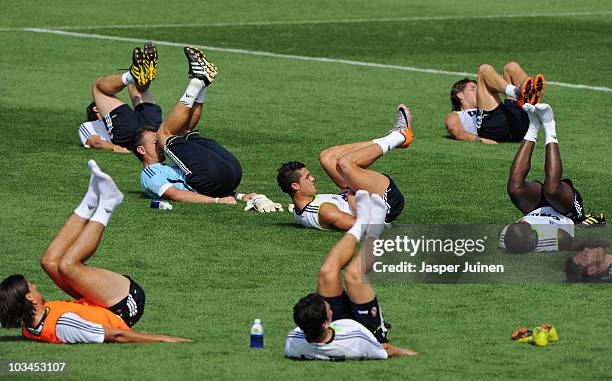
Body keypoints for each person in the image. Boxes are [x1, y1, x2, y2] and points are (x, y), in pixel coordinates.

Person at [0, 161, 190, 343]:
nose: (34, 285)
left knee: (49, 262)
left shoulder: (30, 327)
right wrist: (169, 339)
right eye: (30, 286)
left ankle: (91, 199)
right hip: (125, 305)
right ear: (29, 297)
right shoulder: (62, 326)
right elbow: (116, 336)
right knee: (67, 266)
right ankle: (108, 203)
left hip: (97, 302)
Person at [131, 46, 282, 211]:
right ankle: (198, 81)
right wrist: (217, 201)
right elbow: (176, 195)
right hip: (221, 175)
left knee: (183, 132)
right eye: (154, 142)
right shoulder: (148, 174)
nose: (159, 144)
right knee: (165, 133)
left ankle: (201, 83)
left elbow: (204, 186)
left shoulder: (172, 165)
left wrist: (239, 196)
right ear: (141, 150)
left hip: (229, 173)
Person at [285, 191, 417, 360]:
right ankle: (377, 228)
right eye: (326, 307)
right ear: (325, 323)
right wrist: (409, 353)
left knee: (327, 272)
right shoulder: (355, 342)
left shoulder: (293, 342)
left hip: (332, 325)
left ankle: (361, 222)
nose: (328, 304)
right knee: (355, 275)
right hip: (363, 328)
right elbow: (384, 349)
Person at [277, 104, 412, 230]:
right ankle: (399, 136)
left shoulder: (300, 209)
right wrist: (354, 194)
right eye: (307, 177)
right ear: (295, 186)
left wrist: (347, 193)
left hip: (364, 196)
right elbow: (363, 226)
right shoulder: (325, 211)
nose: (313, 178)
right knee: (344, 164)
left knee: (326, 157)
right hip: (386, 202)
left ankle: (392, 139)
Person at [500, 103, 605, 253]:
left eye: (519, 222)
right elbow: (577, 243)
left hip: (535, 206)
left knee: (514, 189)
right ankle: (549, 124)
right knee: (551, 189)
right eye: (524, 225)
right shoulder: (552, 239)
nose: (522, 221)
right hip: (565, 209)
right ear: (532, 238)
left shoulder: (506, 238)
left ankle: (533, 126)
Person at [78, 41, 162, 153]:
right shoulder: (89, 125)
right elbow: (94, 142)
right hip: (142, 130)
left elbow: (95, 142)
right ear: (96, 108)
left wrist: (120, 149)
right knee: (97, 86)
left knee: (135, 84)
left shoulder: (94, 125)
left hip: (143, 130)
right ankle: (132, 75)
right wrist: (116, 148)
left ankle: (139, 76)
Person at [446, 61, 545, 144]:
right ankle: (517, 92)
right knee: (484, 69)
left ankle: (529, 97)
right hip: (493, 128)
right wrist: (480, 140)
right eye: (473, 89)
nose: (478, 91)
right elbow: (456, 131)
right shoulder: (456, 115)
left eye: (479, 88)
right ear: (460, 95)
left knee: (511, 67)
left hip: (518, 126)